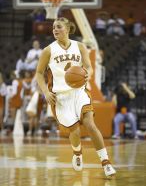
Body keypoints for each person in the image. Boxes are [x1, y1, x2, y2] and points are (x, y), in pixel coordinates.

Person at [35, 17, 116, 177]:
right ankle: (78, 153)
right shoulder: (48, 50)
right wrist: (45, 91)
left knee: (91, 125)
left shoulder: (79, 46)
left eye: (58, 27)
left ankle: (106, 163)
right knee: (75, 131)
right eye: (53, 28)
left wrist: (88, 74)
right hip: (60, 96)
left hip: (79, 92)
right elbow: (38, 73)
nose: (55, 30)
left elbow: (88, 67)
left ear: (67, 29)